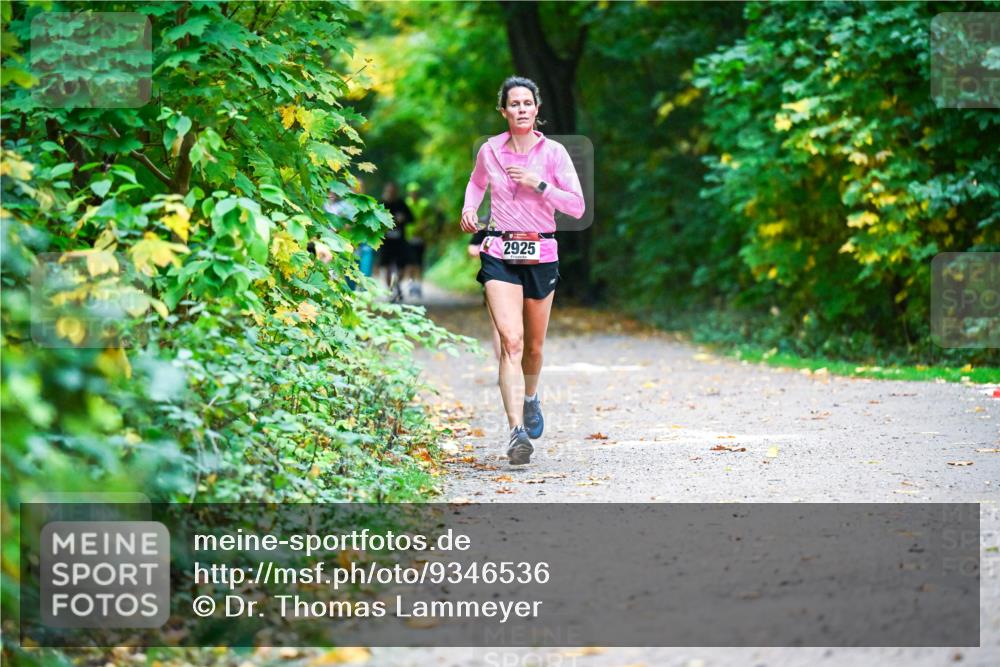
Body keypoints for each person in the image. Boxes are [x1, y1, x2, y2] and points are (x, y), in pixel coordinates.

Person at [460, 75, 585, 465]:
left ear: (537, 108)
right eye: (514, 103)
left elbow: (577, 206)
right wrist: (469, 208)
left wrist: (540, 184)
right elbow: (476, 183)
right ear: (503, 110)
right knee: (511, 342)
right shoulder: (490, 151)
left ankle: (530, 397)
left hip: (541, 252)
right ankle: (516, 432)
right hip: (499, 250)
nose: (521, 109)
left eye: (527, 103)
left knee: (533, 347)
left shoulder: (555, 154)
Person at [379, 181, 414, 302]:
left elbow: (412, 218)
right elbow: (374, 221)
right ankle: (390, 291)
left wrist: (404, 218)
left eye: (393, 192)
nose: (391, 193)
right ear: (386, 192)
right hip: (386, 241)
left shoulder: (401, 204)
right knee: (387, 267)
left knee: (402, 266)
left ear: (396, 192)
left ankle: (397, 285)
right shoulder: (381, 204)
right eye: (389, 191)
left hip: (400, 241)